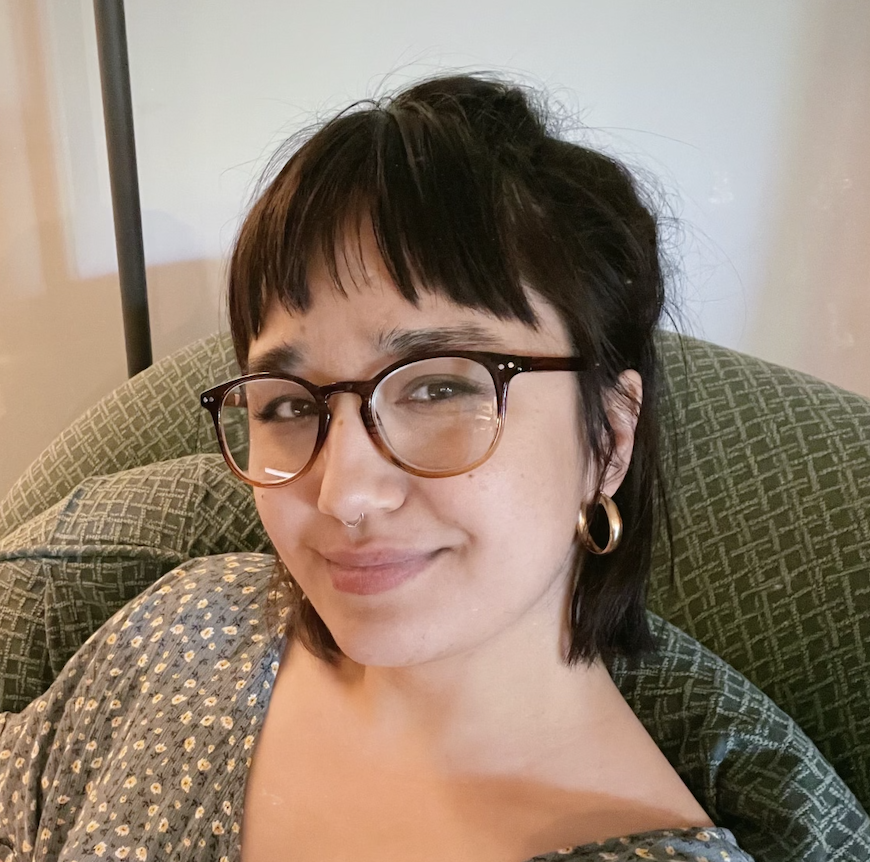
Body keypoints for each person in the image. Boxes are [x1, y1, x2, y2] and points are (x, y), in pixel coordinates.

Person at [0, 74, 759, 861]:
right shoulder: (189, 630)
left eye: (438, 389)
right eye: (288, 405)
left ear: (608, 439)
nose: (344, 493)